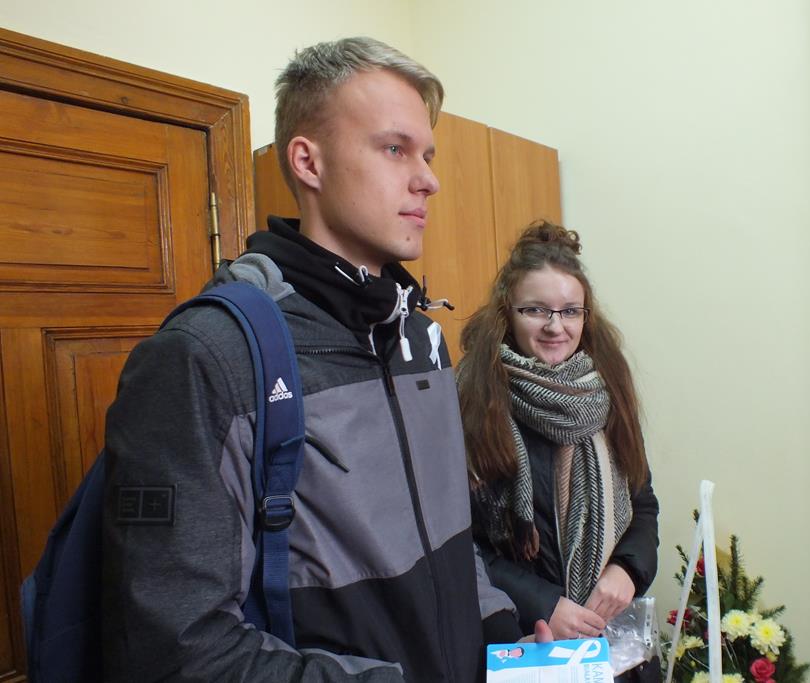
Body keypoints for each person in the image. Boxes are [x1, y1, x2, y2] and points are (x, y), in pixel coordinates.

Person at [101, 37, 541, 682]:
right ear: (309, 161)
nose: (429, 179)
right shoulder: (208, 355)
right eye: (394, 149)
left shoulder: (422, 338)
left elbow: (450, 539)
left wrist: (500, 636)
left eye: (427, 155)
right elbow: (176, 646)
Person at [457, 222, 660, 680]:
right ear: (507, 313)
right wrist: (546, 604)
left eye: (570, 311)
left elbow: (643, 504)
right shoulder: (467, 402)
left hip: (611, 642)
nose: (555, 326)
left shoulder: (608, 393)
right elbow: (458, 542)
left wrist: (627, 571)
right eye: (536, 310)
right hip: (521, 640)